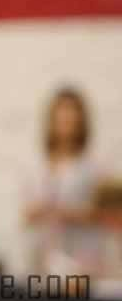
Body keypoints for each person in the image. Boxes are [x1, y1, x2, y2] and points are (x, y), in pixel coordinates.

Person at [24, 87, 104, 282]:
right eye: (61, 115)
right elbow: (26, 214)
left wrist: (68, 213)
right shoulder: (37, 165)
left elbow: (105, 215)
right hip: (43, 263)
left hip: (84, 263)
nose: (66, 121)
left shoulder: (94, 166)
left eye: (71, 114)